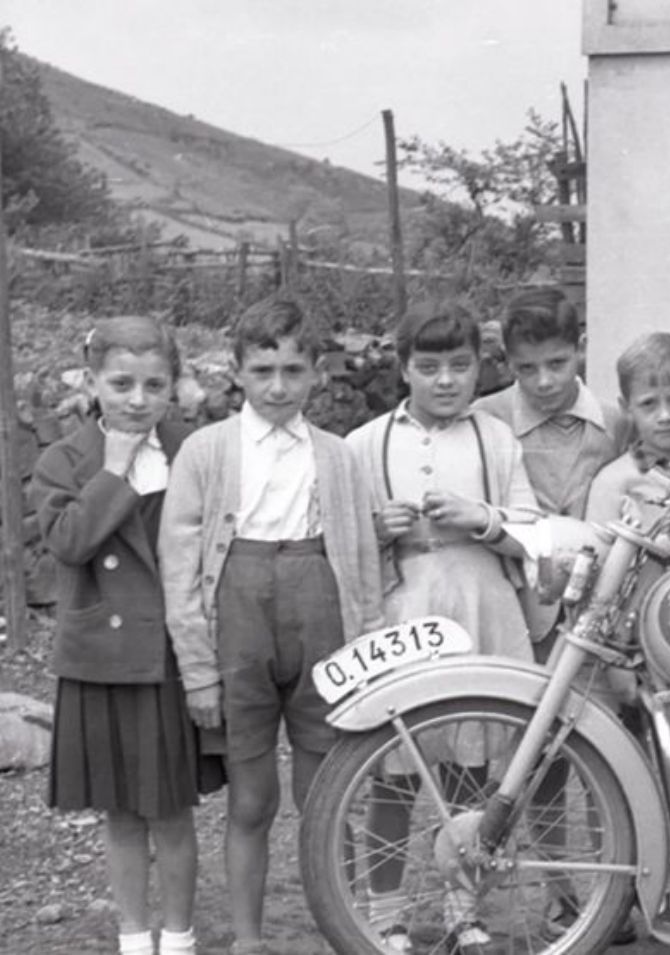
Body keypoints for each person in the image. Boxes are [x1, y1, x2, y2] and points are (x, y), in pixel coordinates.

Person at [160, 298, 384, 955]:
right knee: (251, 796)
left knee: (327, 793)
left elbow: (362, 560)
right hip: (239, 614)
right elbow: (180, 564)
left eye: (293, 368)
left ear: (318, 371)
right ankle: (250, 937)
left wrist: (367, 649)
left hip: (321, 608)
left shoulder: (338, 457)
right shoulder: (206, 451)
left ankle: (336, 928)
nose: (278, 386)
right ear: (238, 372)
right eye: (263, 370)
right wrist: (199, 670)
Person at [345, 299, 542, 953]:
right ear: (404, 368)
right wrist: (374, 531)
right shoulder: (366, 443)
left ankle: (463, 909)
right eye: (429, 367)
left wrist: (480, 517)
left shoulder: (495, 437)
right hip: (403, 610)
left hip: (480, 600)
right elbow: (338, 546)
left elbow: (532, 533)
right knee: (393, 770)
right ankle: (387, 915)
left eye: (460, 366)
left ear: (479, 368)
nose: (446, 380)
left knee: (472, 769)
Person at [32, 317, 219, 955]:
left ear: (175, 387)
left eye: (154, 384)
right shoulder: (65, 458)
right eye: (120, 383)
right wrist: (113, 470)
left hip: (167, 653)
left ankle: (180, 936)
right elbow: (69, 542)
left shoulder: (192, 448)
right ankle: (134, 936)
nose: (137, 399)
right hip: (101, 658)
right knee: (120, 809)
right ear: (92, 382)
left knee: (171, 808)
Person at [475, 289, 626, 645]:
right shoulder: (485, 419)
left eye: (557, 363)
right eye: (527, 368)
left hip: (597, 615)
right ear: (508, 361)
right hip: (518, 612)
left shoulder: (617, 423)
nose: (544, 381)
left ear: (581, 347)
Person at [585, 332, 670, 529]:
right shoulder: (614, 482)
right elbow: (595, 552)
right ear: (626, 407)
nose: (665, 416)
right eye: (648, 403)